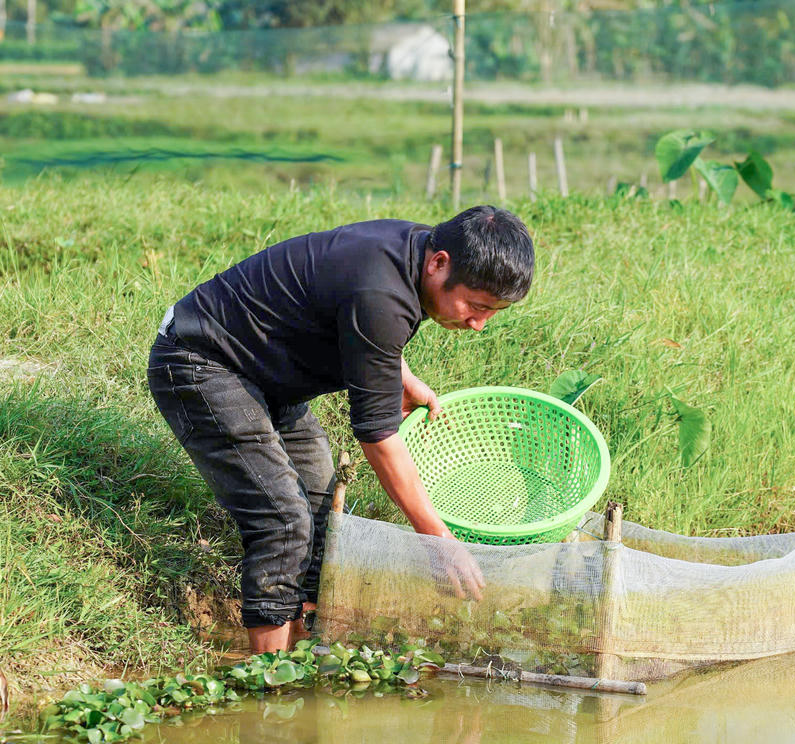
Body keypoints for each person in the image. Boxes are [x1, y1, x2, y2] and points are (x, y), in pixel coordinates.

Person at [147, 205, 534, 654]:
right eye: (477, 306)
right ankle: (269, 684)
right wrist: (438, 539)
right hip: (202, 359)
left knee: (320, 507)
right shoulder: (383, 289)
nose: (478, 324)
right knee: (283, 521)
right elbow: (377, 436)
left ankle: (297, 651)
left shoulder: (412, 253)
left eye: (493, 313)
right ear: (440, 263)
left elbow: (359, 323)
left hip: (267, 373)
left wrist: (398, 376)